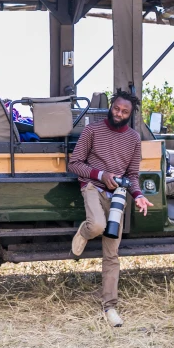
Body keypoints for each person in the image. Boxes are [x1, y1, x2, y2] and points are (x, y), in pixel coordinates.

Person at [67, 89, 154, 328]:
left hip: (118, 194)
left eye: (124, 111)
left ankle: (110, 306)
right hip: (93, 187)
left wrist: (138, 194)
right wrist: (101, 174)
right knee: (97, 225)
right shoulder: (92, 130)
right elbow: (74, 164)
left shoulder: (134, 139)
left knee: (112, 252)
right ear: (111, 106)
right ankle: (84, 233)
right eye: (116, 108)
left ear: (130, 114)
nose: (119, 113)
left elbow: (133, 175)